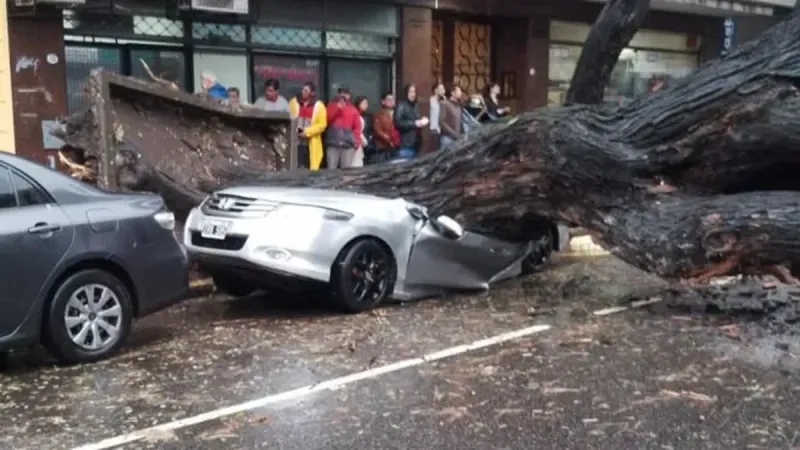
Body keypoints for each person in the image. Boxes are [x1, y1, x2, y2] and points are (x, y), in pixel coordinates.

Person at [288, 81, 327, 170]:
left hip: (311, 143)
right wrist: (295, 130)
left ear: (312, 93)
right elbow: (288, 119)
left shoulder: (319, 106)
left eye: (306, 90)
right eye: (303, 89)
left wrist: (307, 132)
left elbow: (322, 125)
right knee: (295, 166)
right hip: (295, 141)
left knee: (310, 168)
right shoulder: (294, 102)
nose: (303, 92)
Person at [325, 87, 361, 169]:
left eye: (346, 93)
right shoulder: (331, 106)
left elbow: (357, 128)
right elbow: (327, 120)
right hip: (333, 144)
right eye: (341, 93)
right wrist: (337, 108)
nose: (343, 95)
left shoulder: (353, 110)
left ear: (349, 96)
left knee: (346, 172)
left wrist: (356, 143)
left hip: (347, 146)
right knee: (331, 171)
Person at [393, 84, 428, 161]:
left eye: (414, 92)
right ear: (406, 93)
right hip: (406, 143)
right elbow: (397, 123)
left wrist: (421, 121)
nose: (413, 94)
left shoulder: (415, 105)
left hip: (416, 143)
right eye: (411, 92)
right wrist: (415, 123)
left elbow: (415, 120)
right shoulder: (401, 105)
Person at [370, 91, 399, 164]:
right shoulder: (378, 114)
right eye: (389, 100)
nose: (392, 102)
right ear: (383, 102)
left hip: (396, 145)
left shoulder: (398, 112)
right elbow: (378, 131)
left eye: (393, 100)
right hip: (383, 146)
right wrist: (389, 141)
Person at [438, 84, 464, 149]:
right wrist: (453, 133)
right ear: (452, 93)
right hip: (447, 138)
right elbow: (441, 121)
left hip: (457, 139)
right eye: (458, 91)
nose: (460, 93)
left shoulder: (458, 106)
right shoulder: (444, 104)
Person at [352, 96, 371, 168]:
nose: (366, 105)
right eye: (364, 103)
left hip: (364, 144)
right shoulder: (355, 115)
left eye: (366, 103)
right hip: (357, 144)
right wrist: (365, 141)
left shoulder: (368, 115)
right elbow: (358, 131)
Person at [429, 82, 445, 149]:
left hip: (442, 130)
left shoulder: (443, 101)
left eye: (443, 89)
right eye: (441, 89)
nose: (443, 91)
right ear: (436, 90)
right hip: (433, 130)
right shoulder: (430, 101)